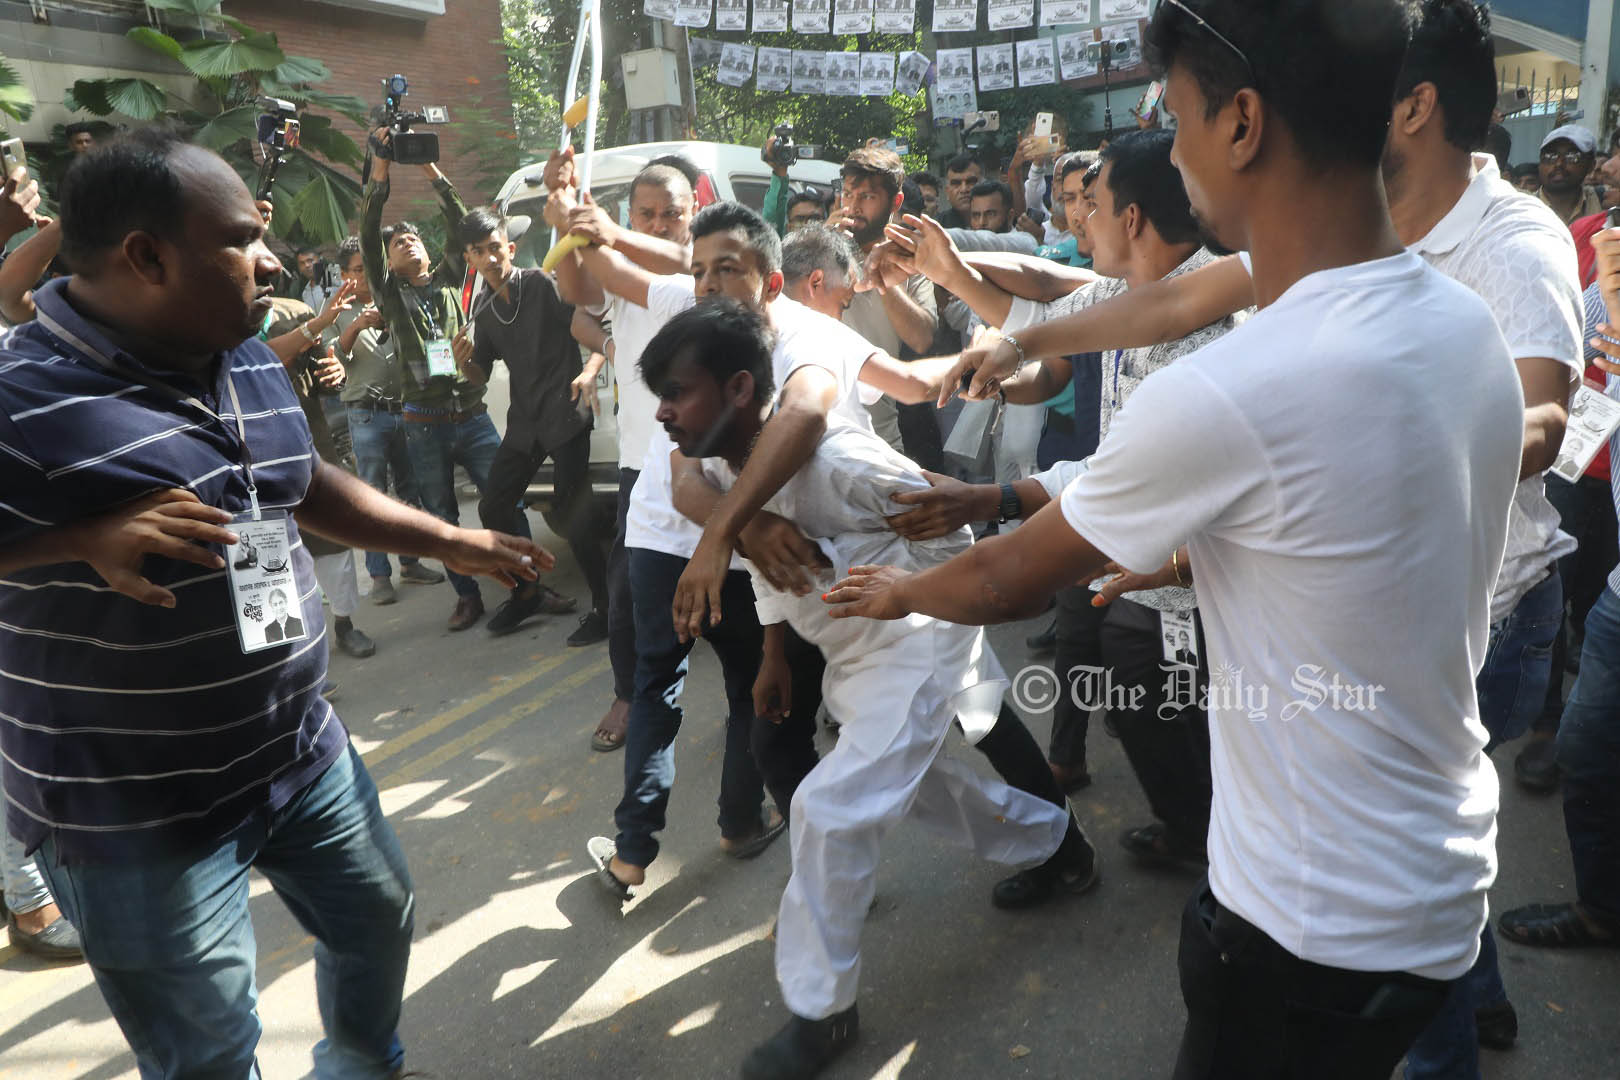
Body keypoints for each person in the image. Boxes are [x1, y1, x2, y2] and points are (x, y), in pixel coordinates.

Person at [835, 0, 1525, 1075]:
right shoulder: (1454, 319)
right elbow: (1147, 308)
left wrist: (899, 593)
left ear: (1243, 123)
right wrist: (1029, 345)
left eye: (1180, 114)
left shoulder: (1240, 387)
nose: (1175, 148)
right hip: (1440, 877)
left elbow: (1012, 580)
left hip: (1307, 929)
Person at [0, 128, 552, 1080]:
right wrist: (71, 539)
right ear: (147, 256)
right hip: (133, 816)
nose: (272, 260)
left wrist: (452, 538)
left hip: (299, 750)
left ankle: (360, 1063)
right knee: (212, 1053)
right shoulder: (20, 397)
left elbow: (300, 482)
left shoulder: (238, 343)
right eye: (244, 239)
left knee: (379, 919)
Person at [643, 300, 1092, 1080]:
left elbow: (953, 530)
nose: (663, 413)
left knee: (829, 806)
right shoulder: (727, 468)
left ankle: (822, 1013)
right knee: (918, 789)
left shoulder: (842, 463)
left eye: (678, 392)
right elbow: (772, 569)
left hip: (919, 643)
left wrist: (903, 596)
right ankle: (1061, 846)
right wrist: (775, 652)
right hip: (851, 651)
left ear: (742, 388)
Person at [886, 129, 1243, 857]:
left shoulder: (1207, 333)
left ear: (1133, 219)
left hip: (1197, 586)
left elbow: (1111, 486)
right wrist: (953, 274)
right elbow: (1039, 314)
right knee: (1140, 710)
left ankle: (1222, 854)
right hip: (1130, 569)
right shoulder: (1124, 292)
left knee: (1201, 729)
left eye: (1093, 204)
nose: (1078, 220)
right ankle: (1194, 830)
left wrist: (971, 523)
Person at [547, 153, 697, 753]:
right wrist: (567, 226)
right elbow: (579, 292)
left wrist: (600, 231)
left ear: (695, 215)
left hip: (712, 462)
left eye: (671, 214)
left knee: (749, 589)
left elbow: (682, 261)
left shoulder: (699, 271)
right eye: (646, 214)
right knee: (631, 593)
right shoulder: (622, 270)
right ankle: (630, 692)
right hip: (643, 463)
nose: (658, 225)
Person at [1500, 239, 1620, 957]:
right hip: (1617, 599)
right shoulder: (1604, 274)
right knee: (1588, 753)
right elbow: (1574, 393)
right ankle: (1602, 907)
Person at [361, 128, 531, 631]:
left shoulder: (453, 282)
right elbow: (369, 234)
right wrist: (382, 170)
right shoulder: (390, 294)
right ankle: (468, 596)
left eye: (412, 237)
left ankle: (528, 585)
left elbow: (466, 227)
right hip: (425, 422)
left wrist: (431, 169)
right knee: (442, 516)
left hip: (473, 417)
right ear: (388, 261)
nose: (405, 242)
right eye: (397, 243)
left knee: (508, 501)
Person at [456, 206, 609, 643]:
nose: (489, 258)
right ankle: (527, 593)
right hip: (525, 422)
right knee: (493, 506)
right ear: (469, 259)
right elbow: (480, 373)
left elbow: (591, 322)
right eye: (478, 252)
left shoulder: (540, 284)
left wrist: (591, 368)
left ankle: (605, 606)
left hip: (565, 410)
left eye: (494, 248)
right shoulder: (483, 308)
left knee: (572, 510)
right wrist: (465, 362)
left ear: (510, 247)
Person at [330, 235, 446, 604]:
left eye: (369, 268)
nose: (365, 276)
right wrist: (356, 324)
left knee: (409, 489)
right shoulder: (338, 310)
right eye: (358, 270)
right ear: (345, 274)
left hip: (406, 409)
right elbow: (336, 360)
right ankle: (379, 575)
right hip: (366, 413)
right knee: (372, 494)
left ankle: (410, 564)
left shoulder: (394, 297)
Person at [831, 146, 939, 457]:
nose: (853, 206)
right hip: (818, 432)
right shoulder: (816, 250)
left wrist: (881, 275)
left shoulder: (913, 261)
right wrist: (822, 252)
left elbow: (922, 338)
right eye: (849, 194)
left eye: (866, 196)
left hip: (880, 439)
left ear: (896, 202)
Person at [1538, 123, 1603, 226]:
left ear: (1591, 166)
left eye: (1572, 156)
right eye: (1550, 156)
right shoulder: (1520, 208)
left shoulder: (1604, 203)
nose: (1559, 163)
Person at [937, 152, 984, 229]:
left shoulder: (1002, 221)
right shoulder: (937, 227)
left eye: (971, 182)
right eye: (956, 183)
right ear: (947, 192)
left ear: (984, 185)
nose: (964, 189)